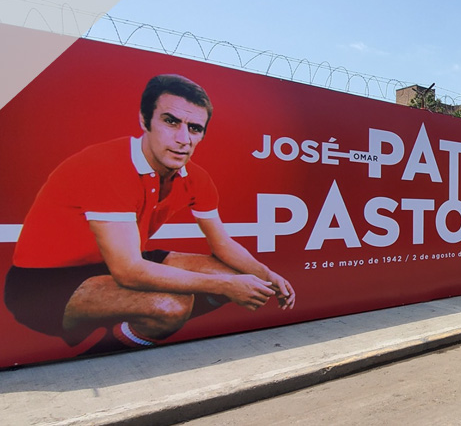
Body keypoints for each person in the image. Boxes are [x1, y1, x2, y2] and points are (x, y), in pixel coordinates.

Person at [4, 74, 295, 355]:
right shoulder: (106, 165)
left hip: (117, 262)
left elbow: (222, 244)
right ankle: (99, 353)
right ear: (145, 121)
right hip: (44, 283)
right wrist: (226, 286)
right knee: (171, 306)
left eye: (195, 128)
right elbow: (128, 270)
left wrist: (267, 275)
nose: (183, 138)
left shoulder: (196, 177)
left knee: (231, 273)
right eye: (171, 121)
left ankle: (127, 328)